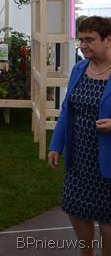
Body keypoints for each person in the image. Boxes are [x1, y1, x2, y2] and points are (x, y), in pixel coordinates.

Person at [49, 15, 111, 256]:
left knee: (107, 223)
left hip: (107, 161)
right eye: (81, 40)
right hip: (80, 158)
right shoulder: (79, 68)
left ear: (108, 40)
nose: (84, 45)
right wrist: (56, 145)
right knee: (77, 211)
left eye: (90, 40)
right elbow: (67, 110)